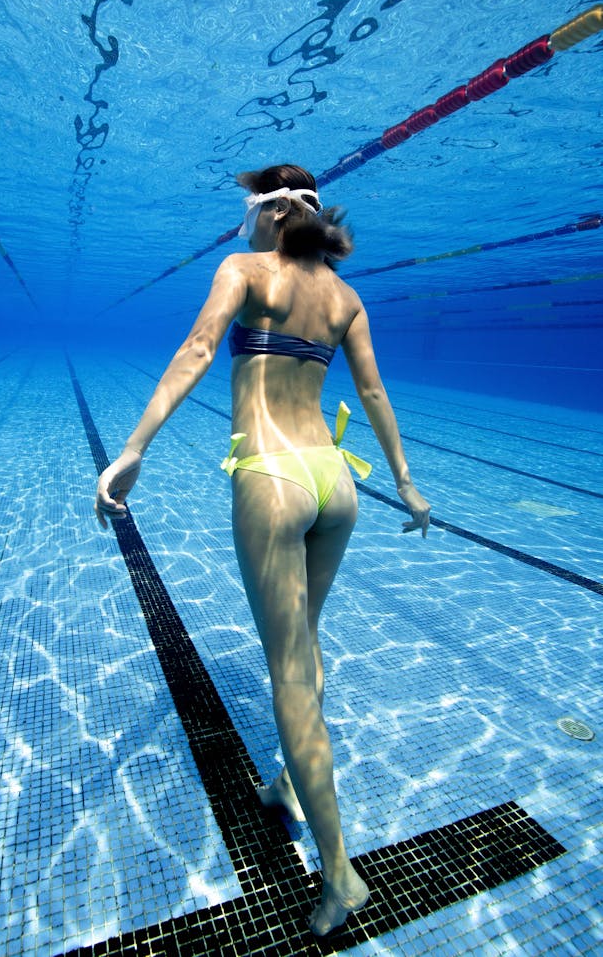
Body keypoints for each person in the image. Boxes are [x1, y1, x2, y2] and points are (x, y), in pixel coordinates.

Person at [95, 163, 430, 936]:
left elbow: (201, 346)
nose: (240, 224)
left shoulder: (245, 269)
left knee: (287, 672)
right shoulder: (344, 298)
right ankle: (287, 781)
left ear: (274, 214)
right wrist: (407, 484)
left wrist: (136, 446)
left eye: (247, 210)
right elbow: (375, 394)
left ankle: (341, 872)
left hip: (272, 478)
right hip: (335, 483)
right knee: (305, 640)